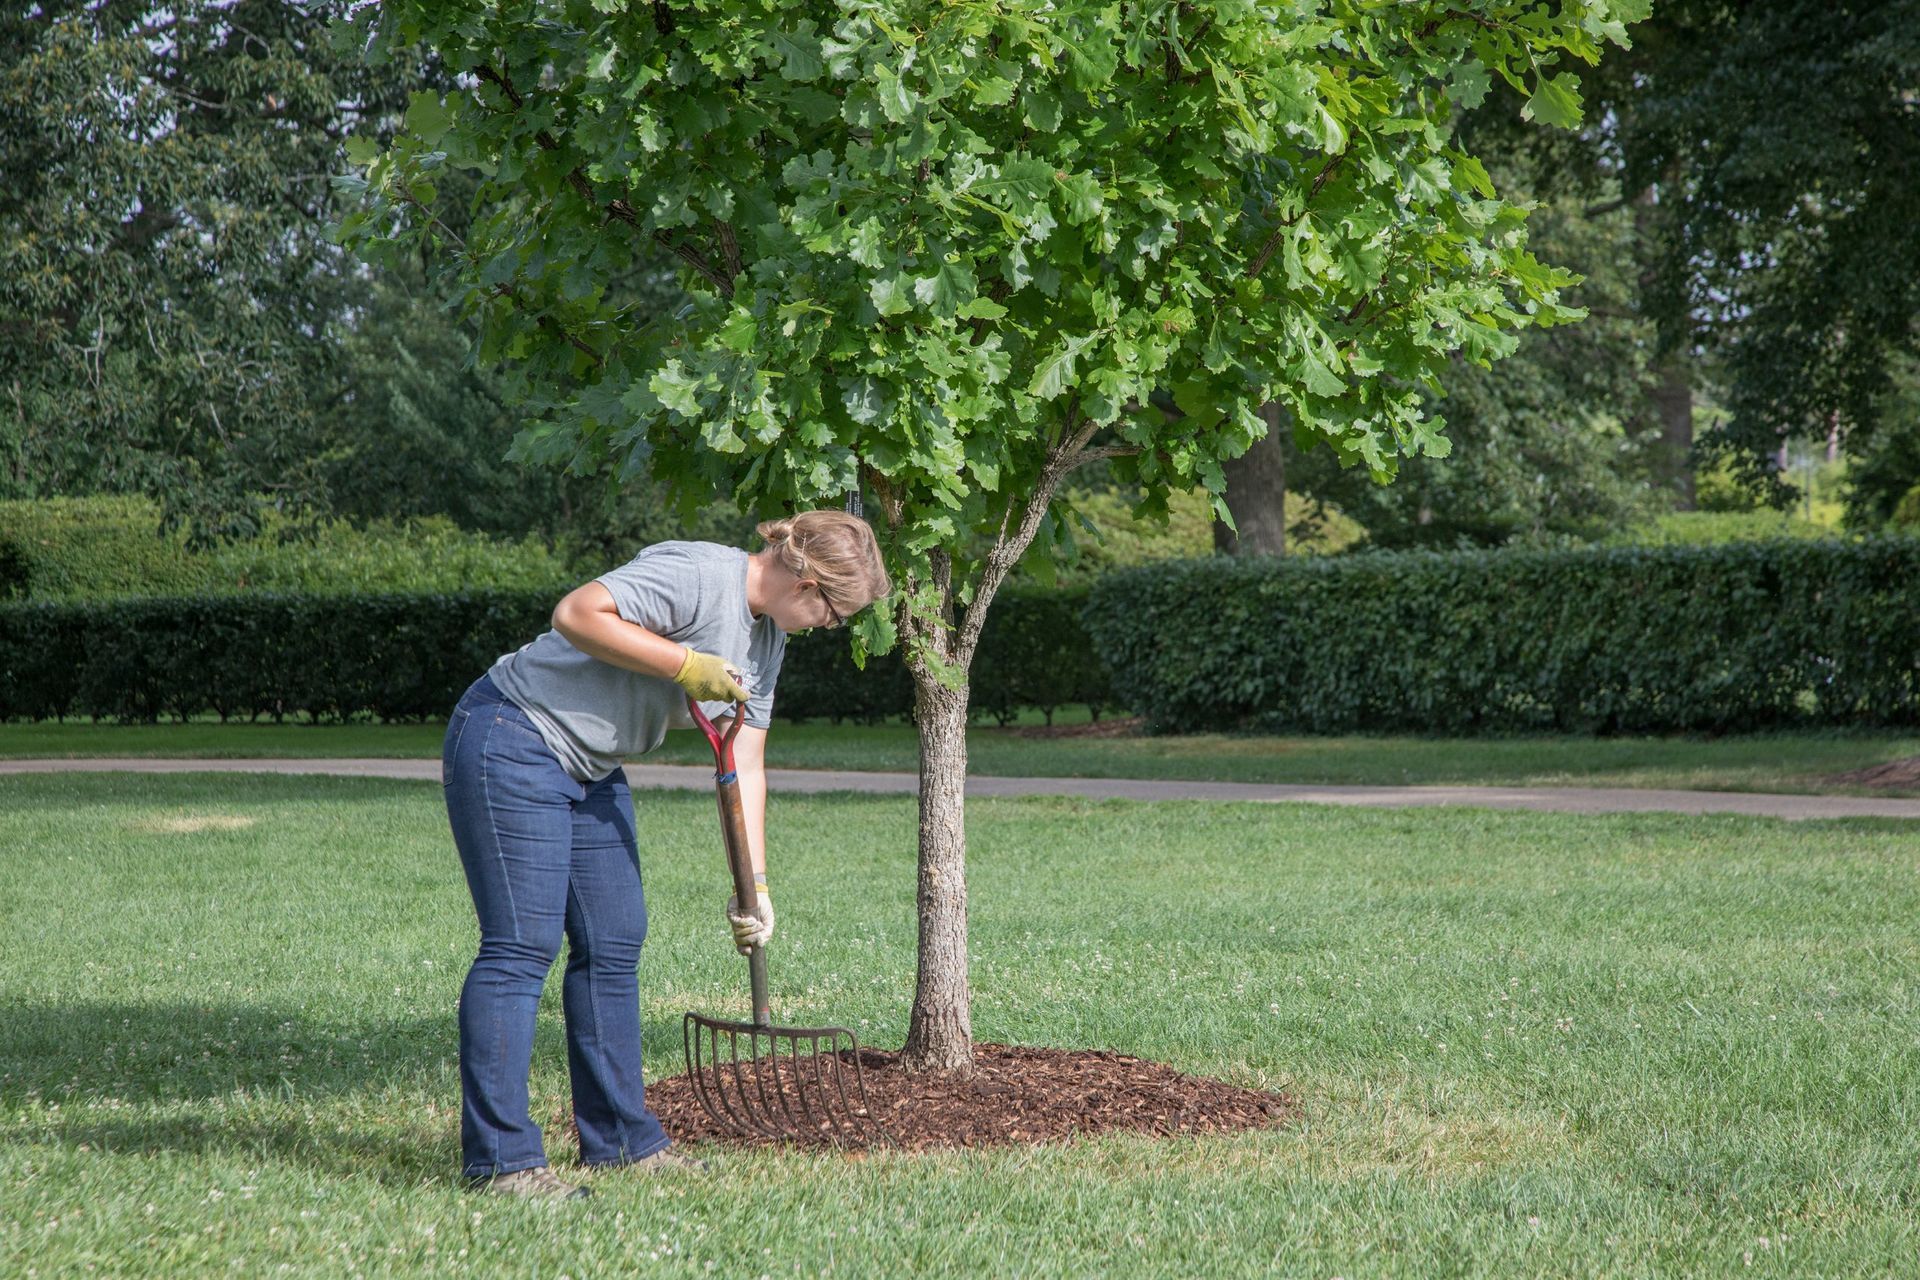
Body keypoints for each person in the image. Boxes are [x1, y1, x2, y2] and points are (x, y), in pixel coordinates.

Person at [441, 510, 892, 1201]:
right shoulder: (697, 574)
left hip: (591, 764)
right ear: (806, 582)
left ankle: (621, 1143)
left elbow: (747, 756)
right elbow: (577, 613)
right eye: (835, 612)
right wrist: (686, 665)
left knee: (614, 940)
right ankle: (502, 1163)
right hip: (514, 735)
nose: (832, 627)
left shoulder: (767, 641)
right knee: (521, 946)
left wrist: (756, 886)